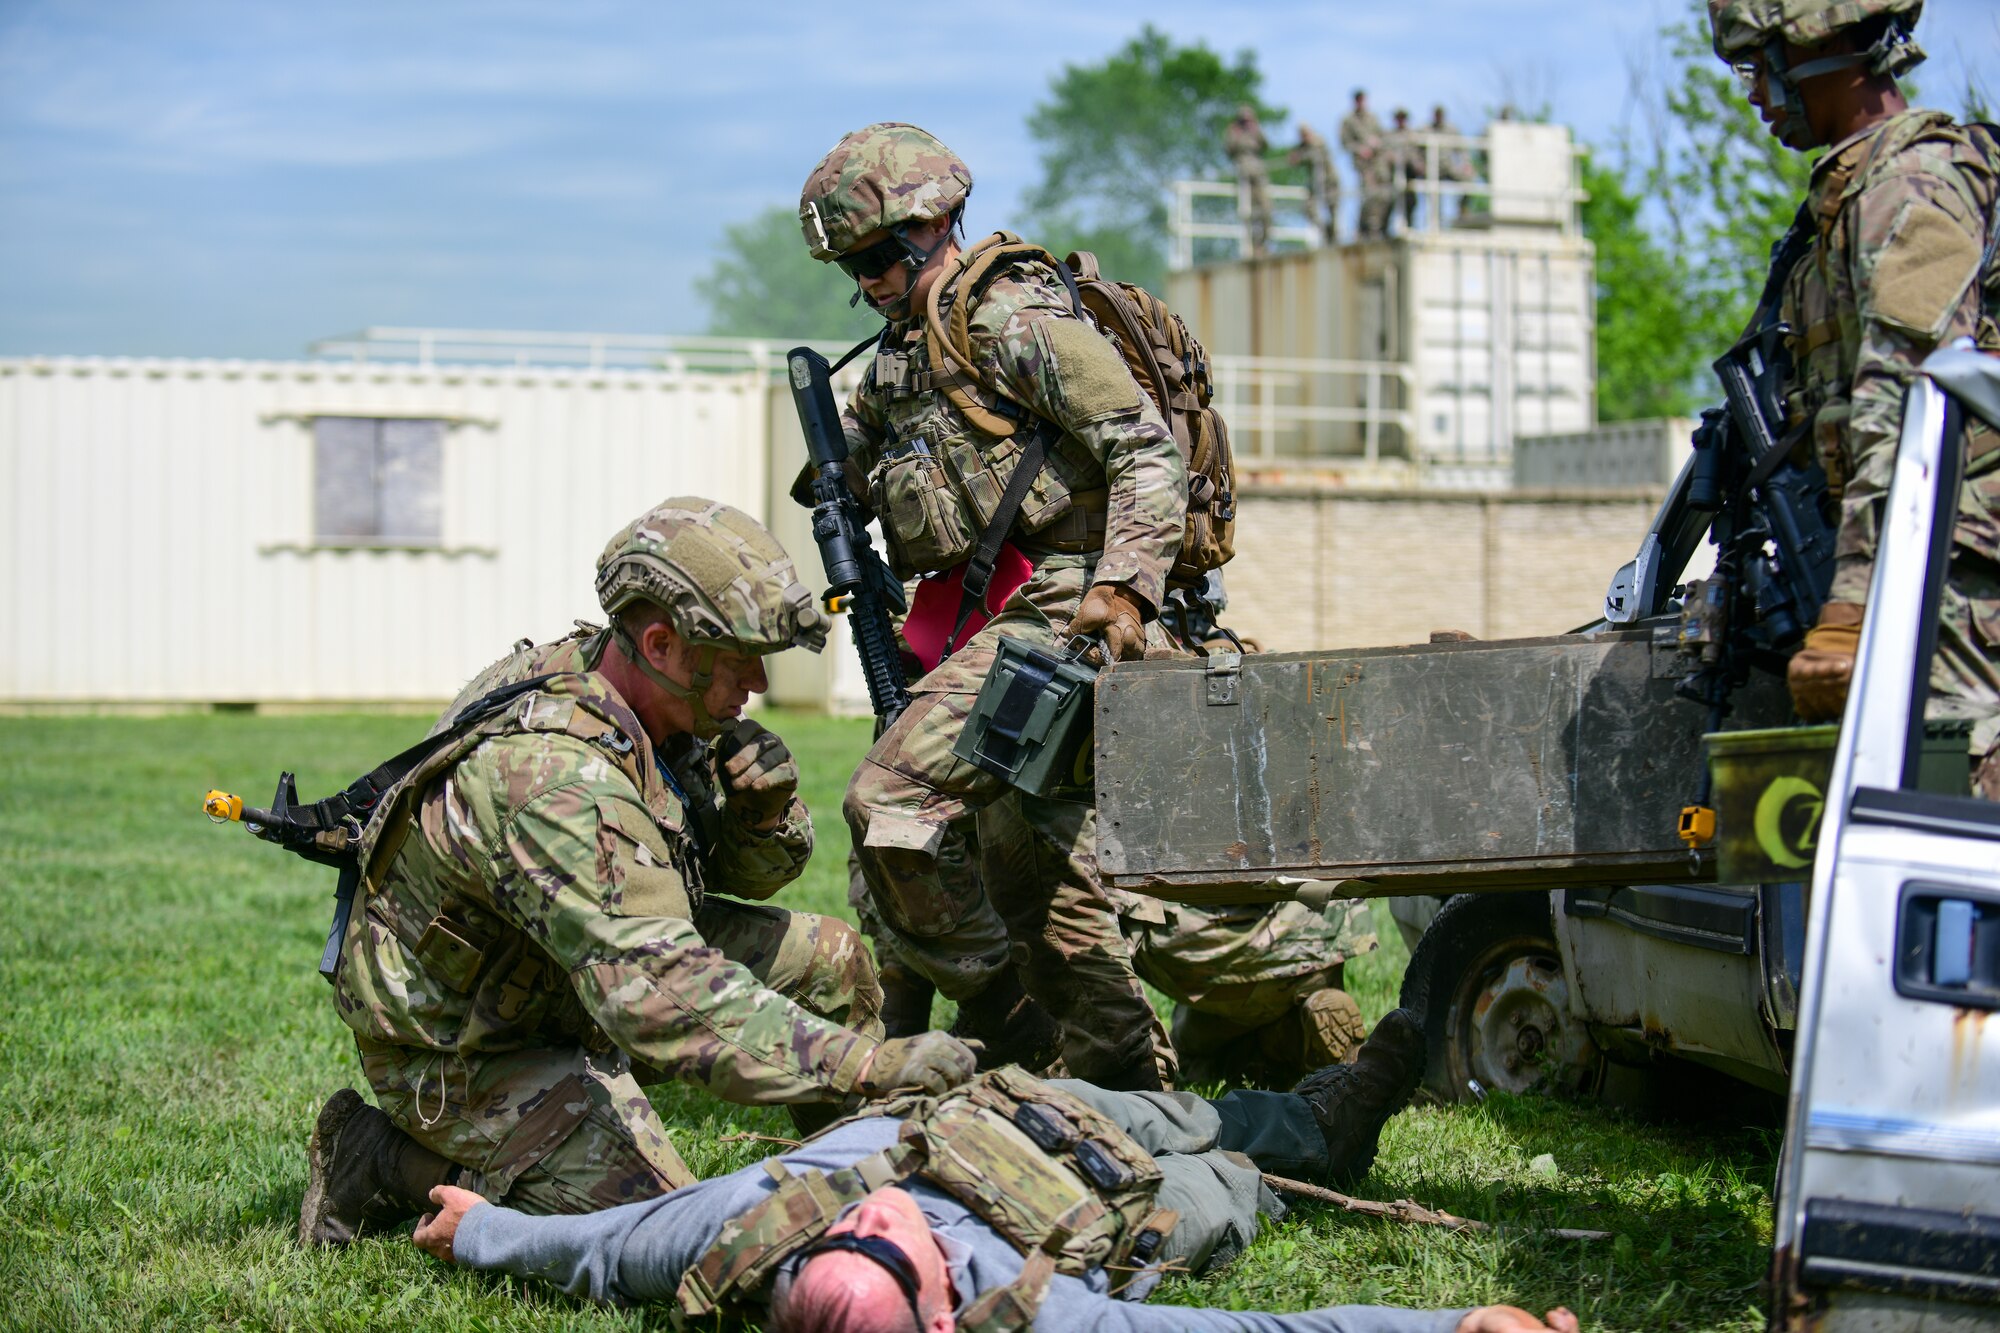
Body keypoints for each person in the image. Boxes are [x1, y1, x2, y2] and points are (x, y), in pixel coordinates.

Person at [299, 497, 980, 1246]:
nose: (755, 679)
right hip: (467, 1047)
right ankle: (379, 1158)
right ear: (660, 642)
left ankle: (857, 1184)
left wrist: (759, 814)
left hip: (558, 974)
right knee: (672, 1236)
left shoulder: (635, 692)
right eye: (738, 654)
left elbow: (709, 883)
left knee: (833, 962)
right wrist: (867, 1065)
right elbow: (665, 1000)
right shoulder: (558, 779)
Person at [798, 122, 1190, 1089]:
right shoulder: (903, 349)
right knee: (1033, 875)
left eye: (880, 257)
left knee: (890, 803)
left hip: (1062, 611)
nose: (870, 282)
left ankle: (1006, 1018)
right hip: (977, 620)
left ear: (935, 227)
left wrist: (1124, 586)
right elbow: (845, 462)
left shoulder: (1010, 322)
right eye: (854, 267)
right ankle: (1125, 1084)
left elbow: (1146, 450)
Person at [410, 1015, 1568, 1332]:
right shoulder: (1042, 1313)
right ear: (946, 1312)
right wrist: (1454, 1320)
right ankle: (1327, 1125)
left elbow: (604, 1248)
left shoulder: (742, 1233)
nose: (882, 1210)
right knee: (1232, 1180)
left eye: (849, 1225)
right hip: (1128, 1207)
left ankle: (1311, 1112)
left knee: (1203, 1109)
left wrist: (477, 1230)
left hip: (1022, 1111)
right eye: (899, 1240)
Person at [1710, 0, 2000, 795]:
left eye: (1757, 65)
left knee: (1950, 814)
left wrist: (1850, 608)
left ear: (1823, 49)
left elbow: (1907, 402)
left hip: (1949, 581)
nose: (1754, 94)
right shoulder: (1845, 196)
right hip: (1905, 573)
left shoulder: (1912, 184)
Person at [1340, 90, 1390, 241]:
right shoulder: (1348, 120)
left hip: (1377, 162)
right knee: (1369, 194)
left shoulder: (1373, 118)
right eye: (1358, 100)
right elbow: (1345, 142)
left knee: (1384, 193)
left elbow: (1382, 136)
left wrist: (1377, 143)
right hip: (1362, 164)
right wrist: (1359, 149)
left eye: (1363, 100)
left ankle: (1378, 226)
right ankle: (1367, 228)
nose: (1361, 103)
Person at [1226, 104, 1275, 257]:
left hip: (1258, 171)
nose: (1246, 123)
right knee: (1248, 212)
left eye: (1249, 120)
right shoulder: (1233, 132)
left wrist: (1256, 130)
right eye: (1243, 120)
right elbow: (1230, 150)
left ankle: (1262, 243)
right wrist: (1237, 133)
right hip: (1243, 172)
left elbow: (1266, 145)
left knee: (1266, 209)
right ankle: (1252, 246)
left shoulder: (1256, 130)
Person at [1292, 123, 1342, 245]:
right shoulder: (1302, 146)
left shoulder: (1318, 141)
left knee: (1333, 209)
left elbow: (1313, 155)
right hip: (1315, 183)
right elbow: (1293, 159)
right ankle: (1326, 231)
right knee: (1309, 209)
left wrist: (1301, 157)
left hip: (1329, 180)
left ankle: (1334, 236)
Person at [1428, 106, 1474, 222]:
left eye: (1440, 114)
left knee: (1468, 181)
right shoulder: (1427, 129)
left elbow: (1462, 149)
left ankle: (1462, 209)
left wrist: (1466, 164)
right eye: (1437, 114)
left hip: (1449, 167)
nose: (1438, 117)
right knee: (1434, 194)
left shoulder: (1451, 130)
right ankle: (1436, 221)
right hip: (1432, 169)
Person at [1385, 109, 1422, 232]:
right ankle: (1384, 229)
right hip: (1392, 174)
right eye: (1399, 118)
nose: (1401, 121)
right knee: (1389, 202)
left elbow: (1416, 155)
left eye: (1403, 118)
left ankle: (1410, 226)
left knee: (1411, 201)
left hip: (1409, 173)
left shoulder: (1412, 136)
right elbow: (1387, 154)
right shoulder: (1390, 136)